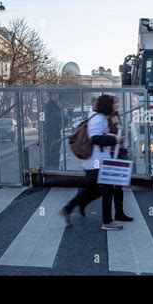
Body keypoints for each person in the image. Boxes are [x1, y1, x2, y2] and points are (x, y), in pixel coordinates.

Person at [60, 94, 123, 231]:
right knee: (105, 189)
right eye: (115, 103)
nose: (117, 105)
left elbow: (99, 135)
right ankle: (107, 221)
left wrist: (111, 133)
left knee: (96, 189)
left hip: (97, 161)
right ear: (108, 105)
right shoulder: (98, 118)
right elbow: (95, 138)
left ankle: (71, 207)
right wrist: (114, 140)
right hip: (96, 162)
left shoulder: (100, 117)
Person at [108, 107, 134, 222]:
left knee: (118, 186)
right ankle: (115, 214)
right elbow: (103, 135)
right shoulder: (107, 118)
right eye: (114, 103)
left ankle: (119, 212)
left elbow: (123, 136)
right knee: (112, 187)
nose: (117, 106)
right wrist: (115, 137)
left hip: (119, 153)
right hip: (112, 154)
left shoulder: (116, 118)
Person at [44, 93, 62, 170]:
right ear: (52, 95)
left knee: (54, 152)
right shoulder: (51, 105)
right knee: (52, 153)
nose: (57, 96)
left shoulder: (55, 105)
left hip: (54, 131)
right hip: (52, 132)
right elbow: (55, 116)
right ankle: (53, 170)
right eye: (56, 94)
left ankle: (53, 169)